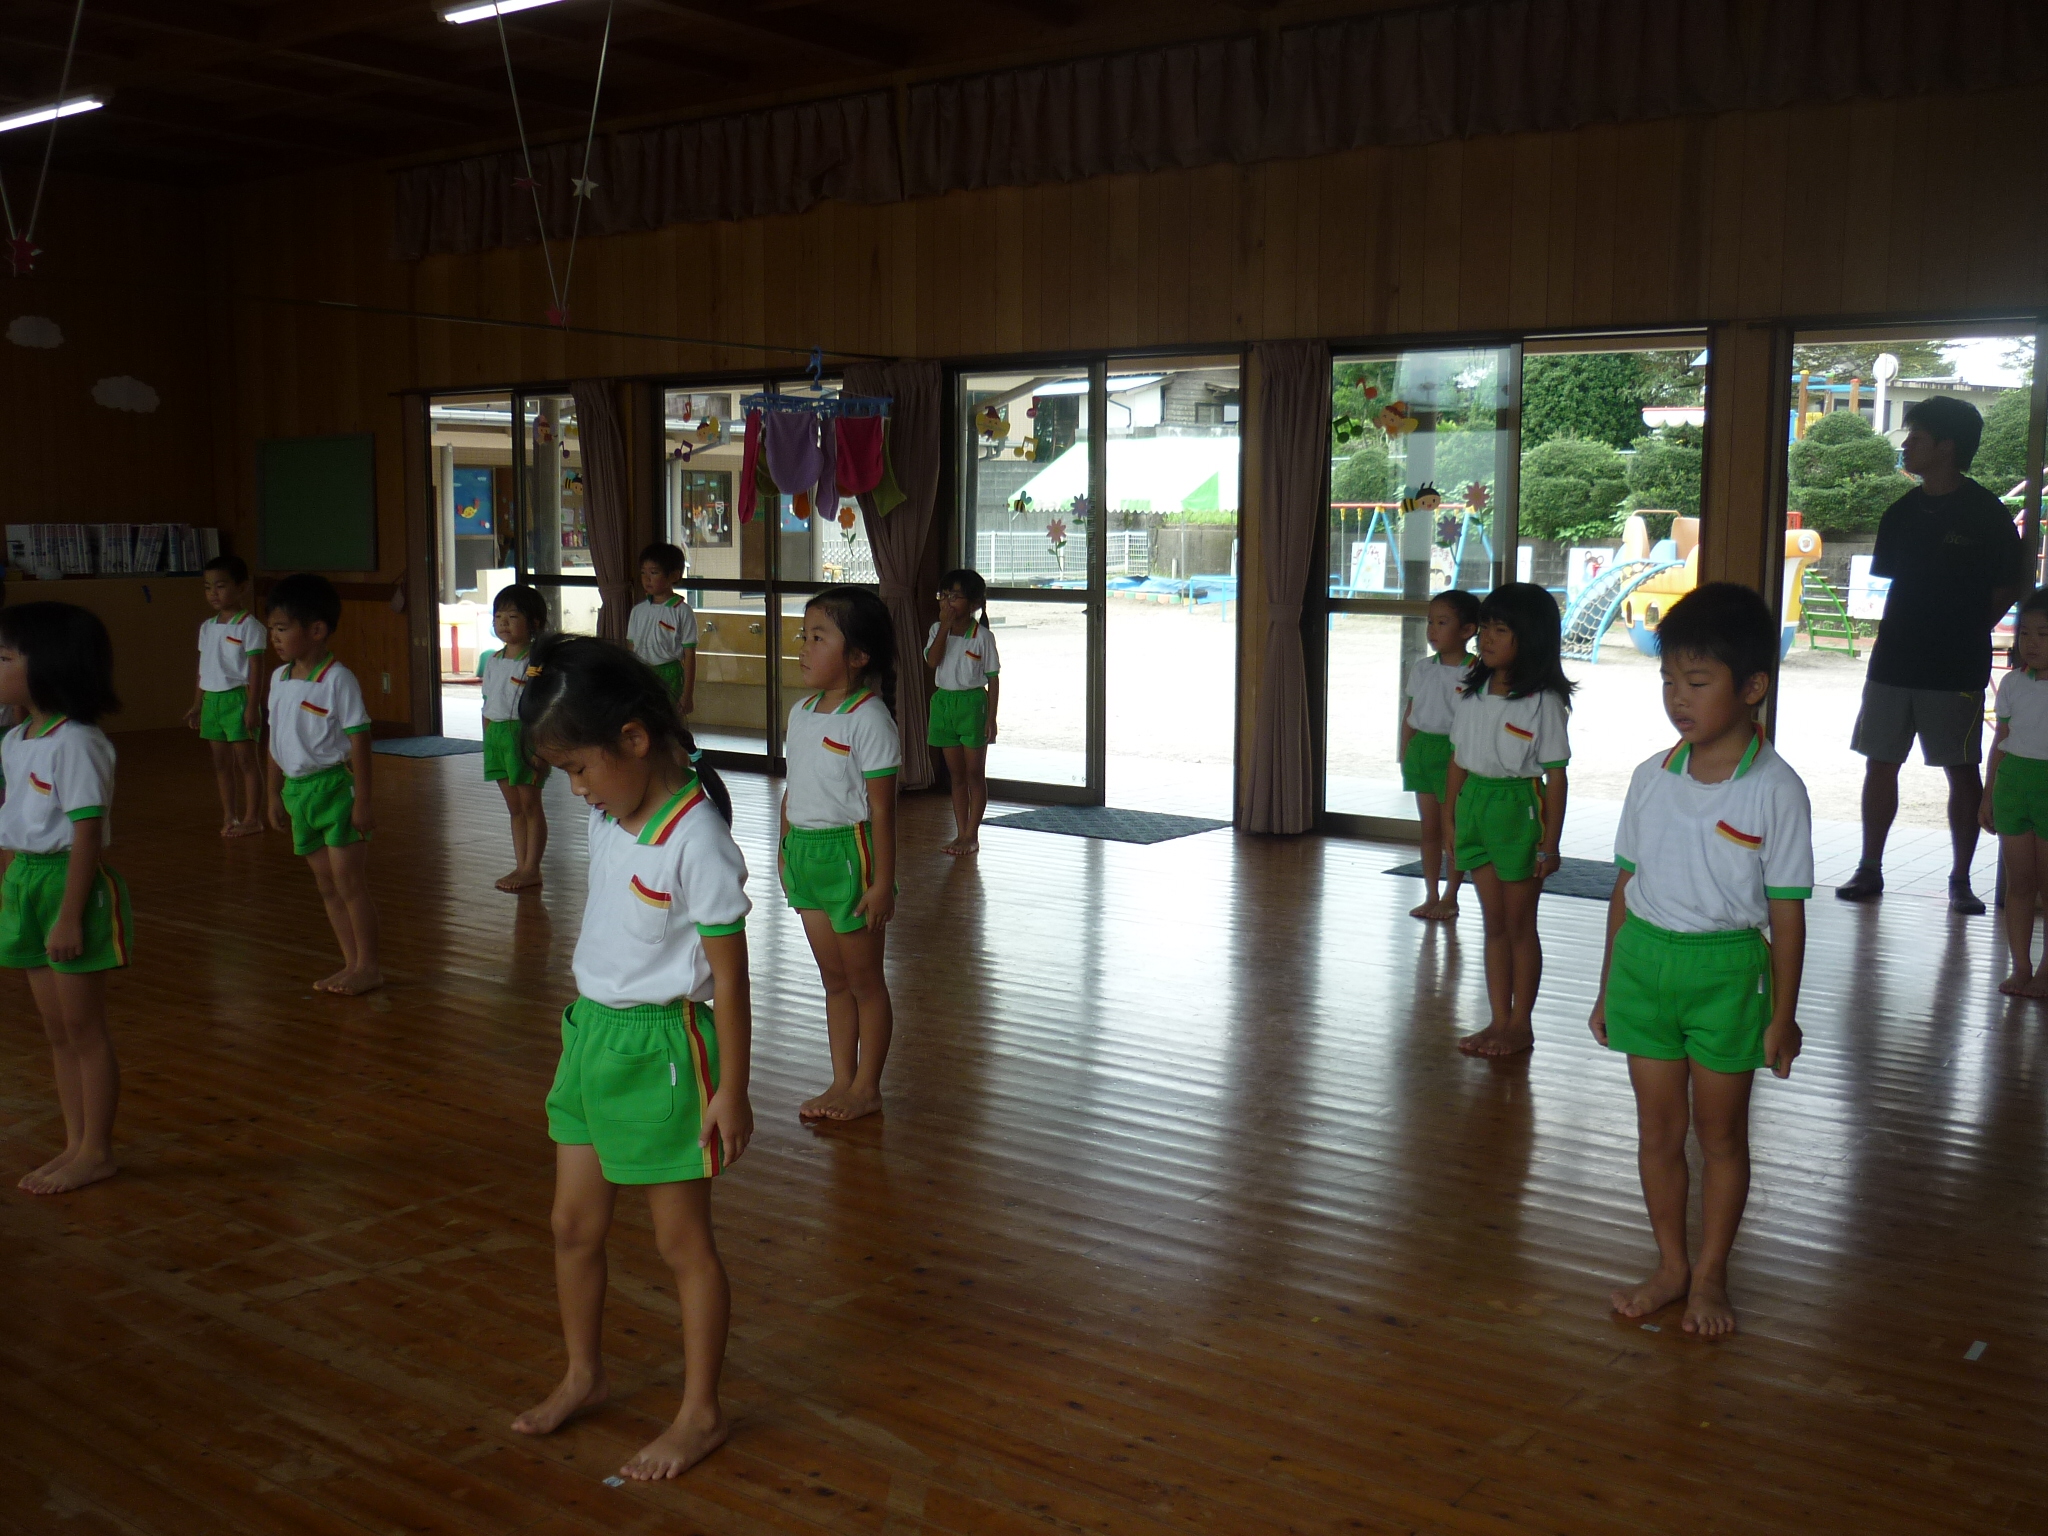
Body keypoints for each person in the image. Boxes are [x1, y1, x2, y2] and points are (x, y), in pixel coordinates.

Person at [509, 634, 754, 1481]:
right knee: (571, 1226)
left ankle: (701, 1412)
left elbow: (731, 979)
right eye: (564, 774)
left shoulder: (698, 839)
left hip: (664, 1054)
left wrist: (731, 1089)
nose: (576, 789)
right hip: (591, 1037)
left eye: (579, 768)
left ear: (634, 739)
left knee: (683, 1245)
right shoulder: (613, 813)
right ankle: (585, 1373)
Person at [1591, 583, 1810, 1338]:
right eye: (1668, 682)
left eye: (1697, 681)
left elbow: (1787, 912)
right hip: (1643, 968)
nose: (1677, 699)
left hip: (1728, 976)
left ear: (1752, 687)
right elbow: (1624, 888)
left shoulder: (1777, 790)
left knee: (1720, 1138)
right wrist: (1607, 988)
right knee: (1657, 1134)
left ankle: (1711, 1273)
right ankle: (1671, 1267)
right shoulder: (1650, 777)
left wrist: (1783, 1016)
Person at [1837, 395, 2026, 912]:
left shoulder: (1986, 513)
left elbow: (2009, 584)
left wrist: (1967, 629)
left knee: (1961, 769)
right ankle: (1869, 868)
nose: (1906, 446)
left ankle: (1961, 879)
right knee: (1880, 763)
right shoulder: (1900, 512)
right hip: (1893, 659)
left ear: (1946, 447)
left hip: (1956, 665)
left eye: (1916, 437)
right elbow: (1896, 581)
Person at [0, 602, 131, 1195]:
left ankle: (96, 1150)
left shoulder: (76, 743)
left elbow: (86, 834)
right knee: (56, 1032)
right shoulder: (16, 738)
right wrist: (11, 895)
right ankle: (75, 1142)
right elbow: (14, 825)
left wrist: (69, 916)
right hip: (26, 882)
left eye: (6, 657)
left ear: (48, 666)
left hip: (66, 885)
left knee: (83, 1029)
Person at [782, 588, 900, 1123]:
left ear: (858, 656)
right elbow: (793, 791)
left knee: (864, 983)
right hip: (805, 858)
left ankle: (866, 1088)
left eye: (818, 637)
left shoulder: (869, 719)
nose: (804, 647)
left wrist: (882, 883)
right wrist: (784, 850)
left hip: (851, 859)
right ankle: (840, 1080)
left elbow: (883, 811)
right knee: (834, 982)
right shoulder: (801, 713)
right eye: (803, 636)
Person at [1444, 583, 1572, 1057]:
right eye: (1485, 629)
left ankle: (1521, 1025)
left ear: (1531, 637)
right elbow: (1457, 760)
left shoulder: (1543, 701)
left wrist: (1550, 844)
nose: (1486, 639)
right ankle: (1498, 1020)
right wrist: (1450, 820)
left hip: (1518, 808)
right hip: (1474, 805)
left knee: (1519, 926)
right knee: (1493, 925)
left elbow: (1556, 778)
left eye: (1500, 630)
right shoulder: (1471, 690)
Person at [264, 574, 382, 995]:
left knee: (349, 883)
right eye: (272, 628)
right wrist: (273, 794)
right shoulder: (278, 679)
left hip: (334, 789)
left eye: (282, 628)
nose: (274, 637)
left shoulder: (337, 680)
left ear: (316, 630)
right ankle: (350, 963)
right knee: (327, 885)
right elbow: (275, 740)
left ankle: (368, 966)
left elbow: (360, 740)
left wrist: (363, 801)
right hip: (297, 792)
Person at [1980, 590, 2048, 994]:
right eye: (2025, 633)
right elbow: (2000, 741)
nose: (2032, 642)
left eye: (2043, 633)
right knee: (2019, 885)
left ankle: (2046, 973)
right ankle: (2021, 967)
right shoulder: (2011, 683)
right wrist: (1988, 794)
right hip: (2012, 789)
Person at [1400, 588, 1479, 920]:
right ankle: (1431, 894)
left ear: (1467, 630)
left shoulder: (1476, 670)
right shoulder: (1422, 668)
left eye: (1442, 622)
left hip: (1455, 754)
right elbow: (1411, 712)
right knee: (1429, 829)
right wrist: (1405, 752)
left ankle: (1451, 896)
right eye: (1430, 622)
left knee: (1453, 830)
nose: (1432, 630)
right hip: (1423, 750)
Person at [183, 554, 270, 838]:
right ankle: (229, 816)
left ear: (241, 587)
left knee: (246, 761)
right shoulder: (207, 627)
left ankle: (252, 818)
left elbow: (256, 669)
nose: (213, 593)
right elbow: (204, 668)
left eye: (220, 586)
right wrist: (197, 704)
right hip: (212, 700)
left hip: (238, 699)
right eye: (208, 587)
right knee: (221, 763)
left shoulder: (250, 626)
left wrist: (253, 706)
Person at [479, 584, 551, 892]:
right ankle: (521, 865)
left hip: (524, 735)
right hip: (496, 736)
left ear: (534, 623)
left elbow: (543, 708)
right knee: (515, 808)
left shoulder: (534, 663)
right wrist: (487, 739)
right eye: (498, 617)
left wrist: (540, 748)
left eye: (512, 616)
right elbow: (487, 703)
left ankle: (532, 868)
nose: (503, 623)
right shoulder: (493, 660)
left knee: (530, 805)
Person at [924, 567, 1001, 855]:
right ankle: (960, 833)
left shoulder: (983, 636)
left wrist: (991, 717)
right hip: (944, 703)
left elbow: (993, 678)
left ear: (974, 604)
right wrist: (944, 627)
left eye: (955, 597)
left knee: (974, 774)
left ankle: (972, 835)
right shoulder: (937, 629)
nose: (947, 602)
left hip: (972, 705)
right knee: (955, 776)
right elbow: (932, 662)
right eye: (943, 596)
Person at [626, 542, 699, 718]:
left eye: (653, 572)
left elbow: (690, 655)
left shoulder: (682, 611)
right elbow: (631, 648)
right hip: (642, 673)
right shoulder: (638, 610)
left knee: (668, 721)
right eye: (643, 573)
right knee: (643, 720)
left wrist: (687, 694)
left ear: (674, 575)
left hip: (670, 675)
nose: (646, 579)